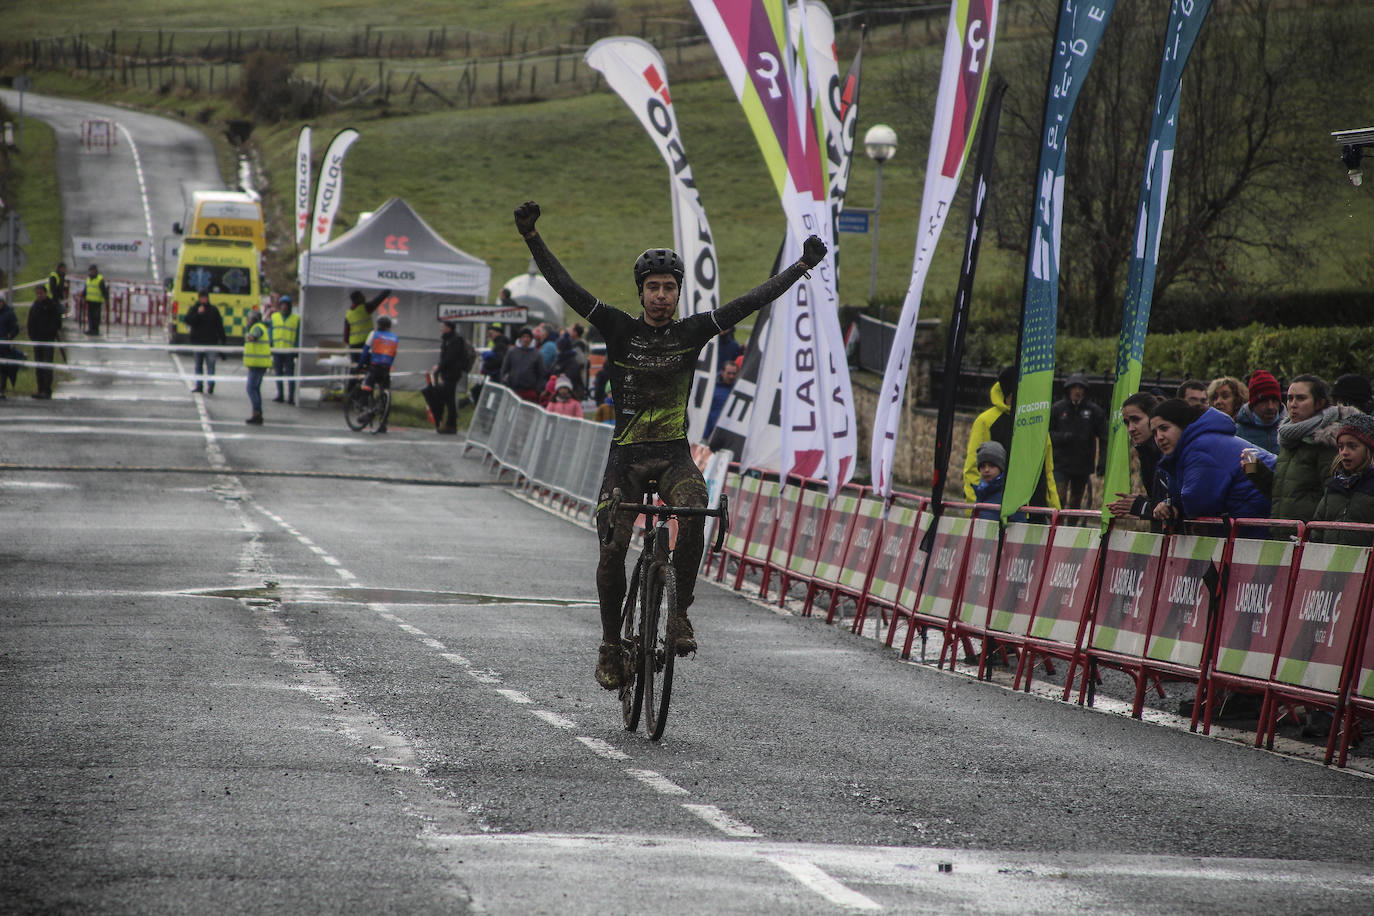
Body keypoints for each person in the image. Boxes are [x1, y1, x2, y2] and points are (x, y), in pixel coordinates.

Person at [514, 199, 825, 690]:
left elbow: (751, 300)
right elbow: (568, 290)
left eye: (669, 287)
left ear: (679, 291)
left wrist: (802, 267)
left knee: (696, 507)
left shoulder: (693, 331)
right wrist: (532, 239)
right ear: (641, 292)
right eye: (653, 287)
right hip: (627, 460)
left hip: (675, 456)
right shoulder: (619, 328)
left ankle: (679, 614)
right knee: (612, 551)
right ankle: (611, 645)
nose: (661, 295)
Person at [1246, 375, 1359, 524]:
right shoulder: (1290, 439)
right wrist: (1257, 471)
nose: (1293, 404)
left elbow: (1335, 499)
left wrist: (1315, 534)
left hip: (1309, 537)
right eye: (1290, 398)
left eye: (1301, 398)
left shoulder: (1327, 442)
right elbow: (1285, 497)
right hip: (1284, 533)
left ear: (1319, 403)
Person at [1150, 399, 1275, 527]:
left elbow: (1197, 503)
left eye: (1164, 428)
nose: (1159, 437)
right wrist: (1169, 506)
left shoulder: (1202, 446)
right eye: (1154, 433)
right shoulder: (1186, 451)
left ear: (1182, 426)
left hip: (1266, 520)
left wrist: (1176, 509)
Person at [962, 366, 1061, 514]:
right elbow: (973, 469)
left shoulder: (1038, 423)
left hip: (1036, 509)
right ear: (1009, 394)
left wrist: (1055, 508)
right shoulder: (986, 421)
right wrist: (975, 509)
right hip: (998, 511)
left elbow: (1047, 471)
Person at [1310, 414, 1374, 546]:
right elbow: (1317, 528)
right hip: (1331, 562)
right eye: (1341, 447)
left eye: (1352, 446)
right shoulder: (1334, 486)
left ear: (1369, 449)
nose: (1344, 452)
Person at [1048, 372, 1107, 510]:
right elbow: (1046, 434)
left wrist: (1102, 462)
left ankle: (1072, 526)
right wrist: (1063, 437)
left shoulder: (1094, 411)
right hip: (1060, 462)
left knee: (1076, 500)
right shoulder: (1057, 409)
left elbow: (1104, 437)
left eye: (1080, 388)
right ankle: (1056, 526)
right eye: (1074, 387)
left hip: (1082, 464)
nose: (1077, 391)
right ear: (1068, 389)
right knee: (1059, 496)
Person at [1106, 392, 1166, 525]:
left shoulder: (1165, 453)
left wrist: (1141, 506)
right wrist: (1140, 502)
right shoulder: (1146, 452)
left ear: (1153, 418)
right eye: (1127, 423)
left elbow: (1173, 507)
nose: (1131, 429)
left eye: (1136, 420)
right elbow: (1159, 501)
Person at [358, 316, 398, 433]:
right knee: (385, 392)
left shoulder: (374, 334)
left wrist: (359, 366)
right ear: (389, 327)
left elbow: (365, 351)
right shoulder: (395, 338)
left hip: (375, 367)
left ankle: (365, 410)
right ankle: (384, 422)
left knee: (366, 386)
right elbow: (393, 354)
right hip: (386, 369)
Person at [433, 319, 472, 434]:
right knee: (446, 398)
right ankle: (447, 423)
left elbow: (450, 358)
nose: (441, 329)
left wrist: (439, 367)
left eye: (443, 326)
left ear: (449, 328)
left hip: (452, 373)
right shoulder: (447, 339)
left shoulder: (455, 340)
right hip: (447, 372)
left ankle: (451, 425)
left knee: (449, 400)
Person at [184, 288, 226, 395]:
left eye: (205, 297)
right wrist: (198, 314)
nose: (204, 299)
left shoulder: (213, 310)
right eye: (202, 297)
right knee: (198, 365)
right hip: (198, 342)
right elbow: (188, 321)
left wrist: (223, 342)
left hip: (211, 342)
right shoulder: (194, 308)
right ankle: (199, 385)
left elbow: (219, 326)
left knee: (210, 364)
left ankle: (211, 385)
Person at [972, 441, 1024, 523]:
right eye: (982, 466)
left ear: (1001, 467)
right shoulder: (980, 492)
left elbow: (1019, 527)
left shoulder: (1010, 495)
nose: (986, 470)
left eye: (992, 465)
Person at [26, 285, 62, 400]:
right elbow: (30, 321)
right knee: (38, 365)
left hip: (47, 340)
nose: (39, 295)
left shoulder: (51, 306)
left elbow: (57, 323)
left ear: (46, 293)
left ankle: (47, 390)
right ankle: (40, 389)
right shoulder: (35, 306)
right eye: (37, 293)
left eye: (41, 293)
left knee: (46, 365)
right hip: (37, 340)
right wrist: (32, 336)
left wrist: (50, 333)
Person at [1235, 369, 1283, 452]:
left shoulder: (1290, 431)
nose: (1270, 407)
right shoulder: (1238, 434)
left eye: (1274, 401)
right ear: (1253, 404)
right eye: (1264, 401)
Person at [342, 288, 392, 364]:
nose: (364, 297)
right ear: (358, 298)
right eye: (362, 296)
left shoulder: (349, 313)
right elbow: (378, 300)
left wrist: (347, 343)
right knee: (367, 365)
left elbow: (346, 333)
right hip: (365, 343)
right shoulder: (365, 308)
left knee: (356, 366)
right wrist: (388, 289)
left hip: (354, 345)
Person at [269, 294, 301, 405]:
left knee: (290, 375)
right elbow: (271, 332)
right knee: (278, 374)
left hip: (289, 351)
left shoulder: (296, 319)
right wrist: (271, 346)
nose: (284, 307)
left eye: (286, 305)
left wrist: (296, 350)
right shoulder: (274, 317)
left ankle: (291, 397)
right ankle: (280, 395)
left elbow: (298, 336)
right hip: (277, 350)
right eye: (282, 305)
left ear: (289, 306)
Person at [500, 326, 545, 402]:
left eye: (528, 337)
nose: (526, 339)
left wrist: (537, 390)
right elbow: (504, 369)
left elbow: (541, 373)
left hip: (529, 393)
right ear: (520, 338)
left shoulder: (537, 354)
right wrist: (504, 383)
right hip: (513, 391)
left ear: (531, 339)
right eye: (523, 337)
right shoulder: (512, 352)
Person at [242, 308, 270, 425]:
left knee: (251, 388)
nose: (247, 320)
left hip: (258, 364)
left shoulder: (257, 327)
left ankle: (257, 413)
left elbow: (254, 337)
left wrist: (248, 335)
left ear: (253, 319)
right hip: (258, 364)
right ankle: (256, 413)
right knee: (255, 389)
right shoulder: (259, 326)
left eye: (249, 318)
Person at [703, 359, 739, 438]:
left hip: (727, 436)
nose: (731, 376)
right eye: (729, 373)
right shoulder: (711, 387)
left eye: (734, 374)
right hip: (708, 434)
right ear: (722, 372)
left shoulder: (738, 389)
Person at [0, 295, 23, 399]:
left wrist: (9, 336)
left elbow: (15, 328)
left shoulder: (9, 313)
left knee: (4, 368)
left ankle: (1, 389)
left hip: (5, 346)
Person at [83, 264, 108, 336]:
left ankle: (95, 330)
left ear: (96, 271)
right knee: (90, 316)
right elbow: (86, 289)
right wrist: (84, 296)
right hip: (90, 301)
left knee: (96, 316)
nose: (92, 272)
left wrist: (106, 298)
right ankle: (91, 329)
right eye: (91, 271)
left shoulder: (99, 279)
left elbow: (104, 290)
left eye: (93, 271)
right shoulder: (88, 279)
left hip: (97, 301)